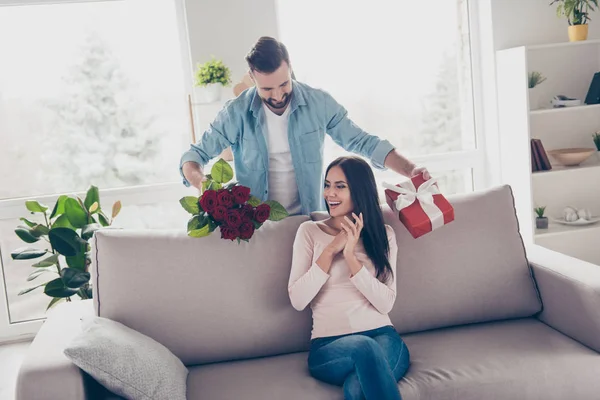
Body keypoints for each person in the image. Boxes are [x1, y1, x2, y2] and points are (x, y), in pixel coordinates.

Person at [180, 36, 429, 215]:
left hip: (310, 220)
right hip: (258, 227)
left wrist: (410, 169)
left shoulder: (318, 103)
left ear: (290, 68)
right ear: (252, 77)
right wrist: (204, 185)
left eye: (284, 84)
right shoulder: (235, 112)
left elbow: (363, 142)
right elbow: (193, 157)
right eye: (267, 89)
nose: (277, 96)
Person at [288, 156, 409, 400]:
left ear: (359, 190)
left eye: (340, 186)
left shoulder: (383, 235)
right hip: (329, 346)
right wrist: (331, 250)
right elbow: (298, 300)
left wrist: (351, 256)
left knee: (356, 387)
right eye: (327, 184)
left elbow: (386, 303)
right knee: (364, 348)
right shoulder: (309, 232)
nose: (330, 193)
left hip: (383, 336)